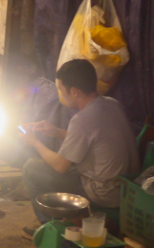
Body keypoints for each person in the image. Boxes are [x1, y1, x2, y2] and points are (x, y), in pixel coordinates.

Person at [18, 59, 139, 233]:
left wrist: (34, 142)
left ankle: (47, 231)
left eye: (61, 90)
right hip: (125, 187)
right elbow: (95, 140)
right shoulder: (112, 104)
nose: (61, 94)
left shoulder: (81, 120)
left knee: (31, 168)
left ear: (74, 91)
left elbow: (60, 166)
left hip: (103, 193)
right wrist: (57, 132)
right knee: (69, 164)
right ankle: (59, 223)